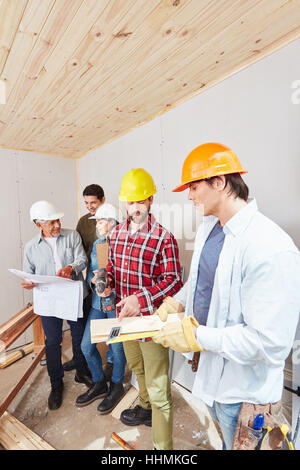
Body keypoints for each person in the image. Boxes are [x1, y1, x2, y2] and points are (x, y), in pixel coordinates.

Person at [153, 143, 300, 450]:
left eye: (194, 187)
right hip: (210, 378)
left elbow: (269, 343)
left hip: (245, 392)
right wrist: (177, 300)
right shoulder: (211, 229)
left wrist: (197, 337)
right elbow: (200, 283)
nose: (189, 196)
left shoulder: (269, 246)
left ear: (219, 182)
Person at [106, 168, 183, 450]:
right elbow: (113, 269)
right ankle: (145, 408)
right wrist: (105, 282)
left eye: (140, 201)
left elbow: (174, 281)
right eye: (130, 202)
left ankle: (162, 449)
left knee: (160, 388)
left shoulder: (164, 238)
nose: (135, 207)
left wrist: (141, 299)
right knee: (137, 368)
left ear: (151, 200)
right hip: (125, 322)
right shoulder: (115, 234)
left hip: (151, 322)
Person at [22, 200, 93, 410]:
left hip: (73, 295)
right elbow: (29, 273)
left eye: (58, 221)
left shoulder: (72, 236)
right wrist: (28, 282)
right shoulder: (30, 248)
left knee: (79, 335)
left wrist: (71, 267)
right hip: (49, 300)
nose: (57, 226)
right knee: (52, 342)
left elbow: (82, 258)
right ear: (38, 225)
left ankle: (81, 371)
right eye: (51, 223)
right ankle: (56, 384)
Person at [76, 203, 127, 414]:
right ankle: (99, 383)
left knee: (116, 348)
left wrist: (112, 287)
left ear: (112, 223)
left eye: (100, 220)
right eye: (96, 221)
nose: (97, 224)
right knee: (86, 346)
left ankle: (116, 386)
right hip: (98, 305)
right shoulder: (98, 244)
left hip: (115, 306)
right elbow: (90, 274)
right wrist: (93, 282)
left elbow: (128, 277)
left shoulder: (124, 245)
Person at [63, 184, 110, 374]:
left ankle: (113, 363)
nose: (90, 206)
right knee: (88, 327)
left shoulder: (111, 218)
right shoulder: (83, 222)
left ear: (103, 200)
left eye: (94, 202)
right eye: (87, 203)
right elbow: (79, 251)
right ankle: (82, 359)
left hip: (109, 281)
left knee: (111, 327)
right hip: (92, 278)